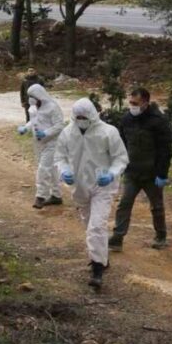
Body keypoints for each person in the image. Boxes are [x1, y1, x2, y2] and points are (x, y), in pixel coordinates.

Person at [54, 98, 128, 290]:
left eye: (84, 117)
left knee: (97, 226)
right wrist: (64, 171)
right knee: (90, 226)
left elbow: (120, 158)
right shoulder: (67, 133)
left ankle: (97, 269)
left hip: (103, 186)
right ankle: (102, 257)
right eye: (78, 117)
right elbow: (60, 157)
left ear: (93, 115)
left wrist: (112, 173)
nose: (81, 120)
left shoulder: (108, 132)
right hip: (79, 187)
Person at [111, 87, 172, 251]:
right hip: (132, 172)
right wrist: (120, 163)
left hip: (152, 174)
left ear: (145, 102)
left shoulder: (158, 121)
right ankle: (117, 238)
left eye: (135, 103)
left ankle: (161, 236)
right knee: (124, 204)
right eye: (130, 102)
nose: (132, 106)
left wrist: (162, 173)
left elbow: (165, 150)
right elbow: (122, 144)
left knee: (157, 206)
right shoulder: (126, 119)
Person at [17, 83, 66, 209]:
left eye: (32, 96)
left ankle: (40, 196)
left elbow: (59, 125)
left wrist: (46, 133)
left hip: (51, 143)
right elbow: (33, 121)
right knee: (51, 169)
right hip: (38, 143)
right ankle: (56, 195)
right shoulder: (34, 108)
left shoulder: (53, 107)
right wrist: (26, 128)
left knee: (43, 169)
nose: (30, 99)